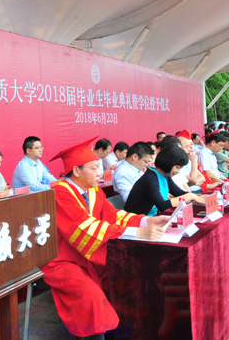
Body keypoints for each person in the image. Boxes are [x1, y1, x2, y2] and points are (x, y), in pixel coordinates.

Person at [41, 137, 168, 339]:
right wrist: (137, 233)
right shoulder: (59, 193)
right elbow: (85, 228)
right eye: (94, 168)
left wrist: (146, 222)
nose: (100, 172)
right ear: (76, 171)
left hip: (90, 256)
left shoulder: (93, 191)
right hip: (64, 260)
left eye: (99, 167)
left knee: (129, 279)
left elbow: (113, 216)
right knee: (91, 298)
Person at [125, 145, 207, 216]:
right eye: (177, 167)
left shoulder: (165, 176)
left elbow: (178, 193)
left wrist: (198, 196)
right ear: (168, 163)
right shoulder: (150, 178)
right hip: (139, 220)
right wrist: (191, 196)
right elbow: (162, 205)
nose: (178, 171)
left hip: (154, 217)